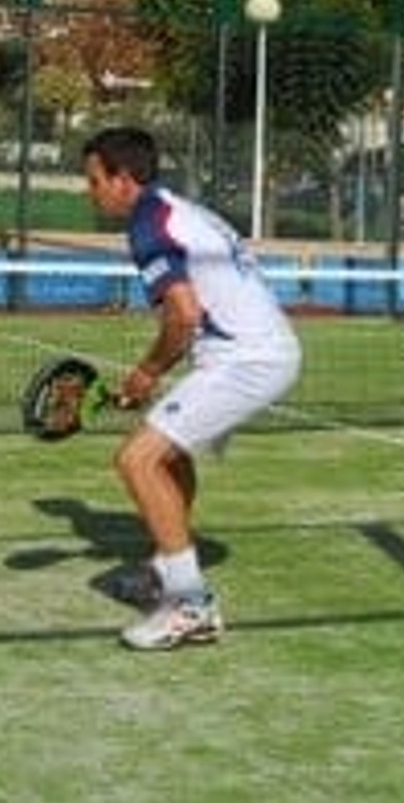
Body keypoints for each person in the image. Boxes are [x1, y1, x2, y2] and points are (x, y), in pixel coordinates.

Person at [81, 126, 302, 651]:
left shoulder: (149, 225)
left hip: (247, 359)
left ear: (123, 178)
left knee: (137, 460)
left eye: (94, 181)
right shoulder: (171, 208)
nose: (90, 191)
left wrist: (148, 372)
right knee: (169, 454)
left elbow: (184, 315)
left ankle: (190, 605)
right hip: (252, 351)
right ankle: (166, 569)